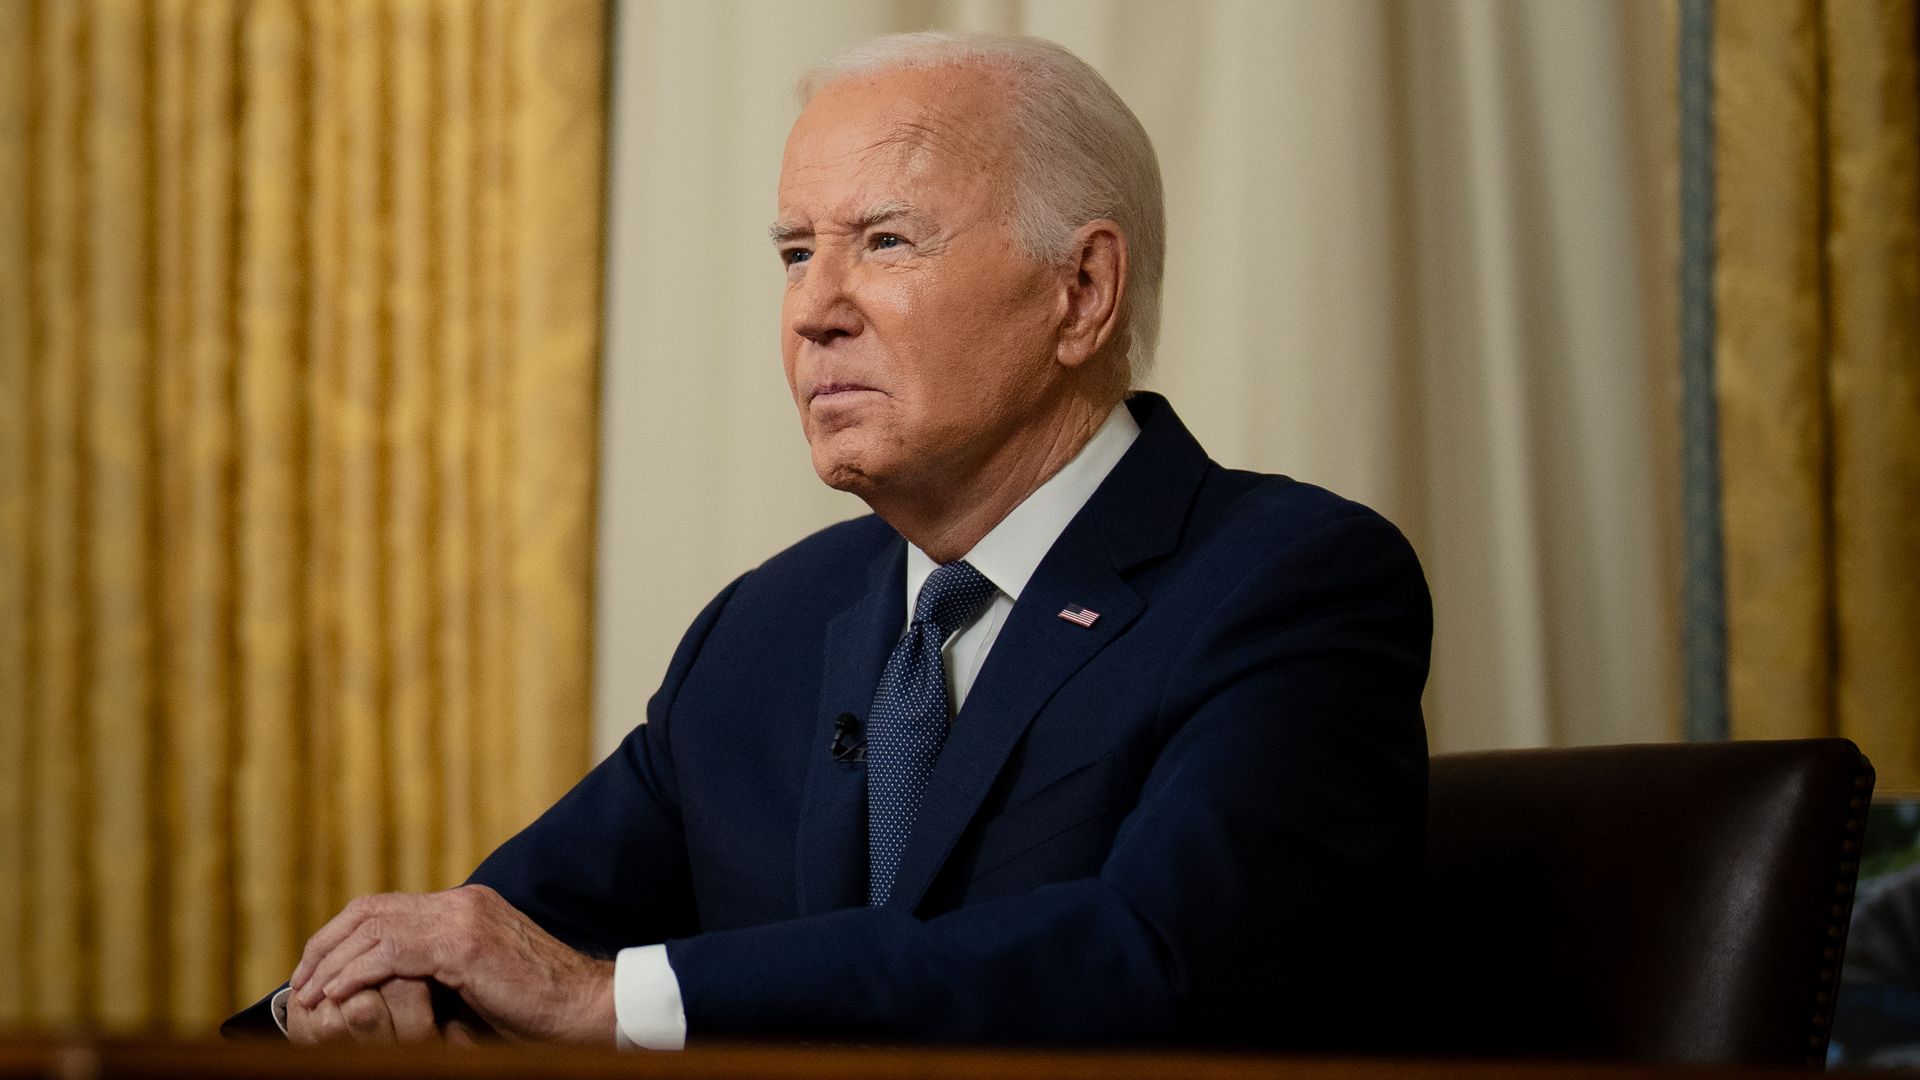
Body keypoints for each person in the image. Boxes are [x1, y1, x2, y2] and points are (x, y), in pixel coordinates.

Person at [225, 31, 1431, 1050]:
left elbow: (1159, 958)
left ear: (1082, 293)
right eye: (797, 253)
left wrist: (612, 999)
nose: (813, 309)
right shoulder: (770, 625)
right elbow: (506, 936)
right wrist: (349, 1006)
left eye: (886, 242)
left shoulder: (1290, 583)